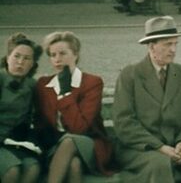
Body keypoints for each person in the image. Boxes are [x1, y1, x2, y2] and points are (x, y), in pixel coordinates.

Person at [112, 16, 181, 183]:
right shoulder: (130, 75)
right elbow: (124, 122)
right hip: (140, 147)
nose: (173, 50)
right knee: (160, 163)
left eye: (175, 44)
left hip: (176, 144)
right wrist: (160, 147)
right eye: (168, 44)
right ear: (152, 47)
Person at [34, 31, 114, 182]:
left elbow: (79, 128)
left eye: (63, 53)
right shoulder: (44, 84)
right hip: (54, 147)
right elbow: (40, 122)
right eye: (53, 55)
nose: (57, 59)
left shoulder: (92, 82)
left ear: (76, 54)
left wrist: (64, 93)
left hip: (89, 143)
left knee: (70, 141)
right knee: (74, 164)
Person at [0, 33, 42, 183]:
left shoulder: (32, 85)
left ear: (32, 64)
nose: (20, 62)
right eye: (16, 56)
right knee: (12, 170)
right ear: (8, 58)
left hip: (15, 141)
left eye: (26, 59)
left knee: (33, 168)